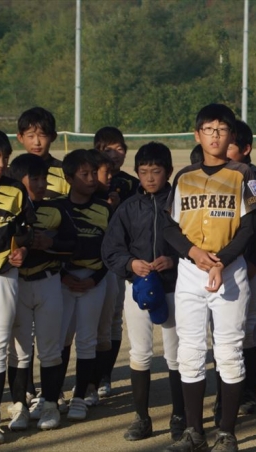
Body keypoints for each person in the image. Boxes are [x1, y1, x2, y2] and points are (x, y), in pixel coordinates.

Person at [163, 103, 256, 452]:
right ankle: (194, 432)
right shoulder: (184, 176)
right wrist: (193, 252)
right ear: (197, 134)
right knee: (189, 351)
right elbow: (169, 225)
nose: (215, 135)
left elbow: (250, 226)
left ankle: (226, 432)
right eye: (208, 129)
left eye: (221, 129)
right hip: (192, 271)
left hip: (229, 271)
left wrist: (222, 261)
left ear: (231, 135)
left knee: (229, 351)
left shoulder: (244, 174)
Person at [102, 142, 186, 442]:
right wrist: (130, 263)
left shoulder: (180, 204)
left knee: (176, 354)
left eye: (156, 171)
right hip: (138, 287)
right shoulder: (127, 208)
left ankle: (180, 416)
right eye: (144, 172)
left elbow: (196, 242)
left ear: (169, 171)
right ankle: (142, 418)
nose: (150, 178)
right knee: (140, 352)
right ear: (137, 173)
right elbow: (111, 249)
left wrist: (174, 260)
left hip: (174, 287)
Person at [6, 154, 76, 432]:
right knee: (19, 351)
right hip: (17, 284)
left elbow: (73, 244)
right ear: (18, 181)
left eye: (44, 178)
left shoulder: (56, 209)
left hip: (49, 283)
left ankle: (49, 404)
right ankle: (19, 406)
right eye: (34, 179)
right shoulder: (8, 212)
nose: (41, 184)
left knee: (50, 348)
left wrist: (51, 243)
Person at [211, 119, 256, 420]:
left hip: (252, 265)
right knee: (223, 333)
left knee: (249, 330)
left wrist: (255, 263)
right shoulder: (212, 175)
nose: (221, 145)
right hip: (220, 266)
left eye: (229, 143)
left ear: (245, 149)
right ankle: (223, 395)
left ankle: (248, 392)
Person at [0, 129, 33, 445]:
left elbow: (28, 230)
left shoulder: (15, 189)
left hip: (3, 277)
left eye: (6, 157)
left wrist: (23, 249)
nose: (2, 164)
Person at [54, 149, 111, 422]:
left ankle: (79, 397)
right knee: (60, 339)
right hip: (62, 281)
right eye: (84, 174)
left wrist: (94, 278)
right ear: (68, 178)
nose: (91, 179)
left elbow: (111, 250)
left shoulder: (105, 209)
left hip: (93, 281)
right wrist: (63, 275)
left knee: (87, 340)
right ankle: (53, 395)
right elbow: (48, 247)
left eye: (93, 173)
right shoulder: (57, 208)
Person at [93, 127, 138, 399]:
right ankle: (87, 378)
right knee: (88, 322)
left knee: (112, 319)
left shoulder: (132, 184)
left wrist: (120, 205)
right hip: (88, 259)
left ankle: (104, 376)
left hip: (118, 261)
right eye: (108, 149)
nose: (115, 154)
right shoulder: (87, 180)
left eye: (120, 149)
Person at [16, 107, 70, 199]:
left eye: (42, 135)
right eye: (31, 136)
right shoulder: (12, 171)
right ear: (20, 137)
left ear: (53, 137)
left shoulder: (65, 171)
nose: (37, 142)